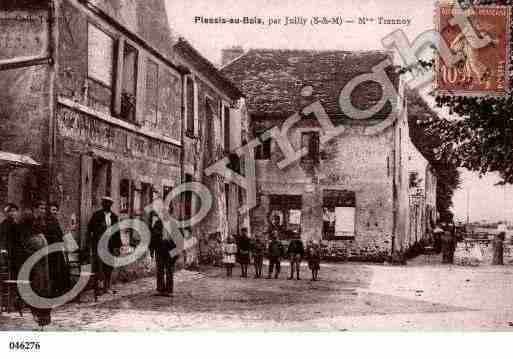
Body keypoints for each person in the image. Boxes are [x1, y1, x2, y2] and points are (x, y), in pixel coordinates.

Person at [18, 205, 53, 329]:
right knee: (37, 290)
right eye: (41, 208)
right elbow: (24, 249)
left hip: (43, 269)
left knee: (43, 290)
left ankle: (43, 318)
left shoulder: (40, 237)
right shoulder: (29, 238)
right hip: (34, 268)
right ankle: (39, 317)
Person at [86, 196, 121, 297]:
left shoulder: (114, 217)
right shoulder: (97, 215)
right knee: (99, 266)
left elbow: (117, 232)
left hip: (110, 245)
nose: (107, 205)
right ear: (102, 204)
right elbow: (90, 229)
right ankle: (99, 287)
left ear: (111, 205)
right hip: (99, 245)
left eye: (109, 204)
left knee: (109, 266)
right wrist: (90, 242)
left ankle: (107, 287)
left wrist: (117, 246)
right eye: (105, 203)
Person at [45, 202, 69, 296]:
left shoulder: (55, 221)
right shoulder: (46, 221)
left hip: (57, 249)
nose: (55, 212)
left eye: (56, 210)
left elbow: (60, 234)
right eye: (53, 210)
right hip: (50, 249)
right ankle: (52, 291)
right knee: (52, 269)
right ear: (49, 211)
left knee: (60, 269)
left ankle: (59, 290)